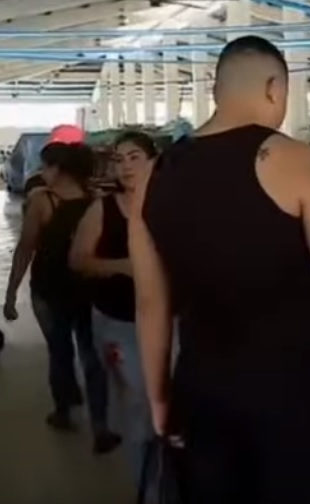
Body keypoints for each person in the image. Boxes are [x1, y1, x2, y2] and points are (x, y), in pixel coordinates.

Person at [129, 35, 310, 503]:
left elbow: (151, 303)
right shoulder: (293, 159)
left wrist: (159, 399)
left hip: (200, 392)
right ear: (275, 88)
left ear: (217, 91)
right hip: (287, 395)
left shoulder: (152, 178)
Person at [3, 142, 119, 453]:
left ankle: (63, 412)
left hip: (49, 291)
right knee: (92, 357)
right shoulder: (97, 200)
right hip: (88, 291)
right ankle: (100, 426)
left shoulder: (42, 200)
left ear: (60, 169)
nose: (42, 172)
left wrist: (11, 294)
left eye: (45, 166)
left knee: (60, 352)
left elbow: (26, 248)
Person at [69, 131, 157, 486]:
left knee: (173, 404)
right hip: (120, 323)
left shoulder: (174, 206)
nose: (126, 166)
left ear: (154, 161)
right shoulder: (102, 209)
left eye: (135, 157)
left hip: (172, 321)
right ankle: (147, 488)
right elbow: (78, 260)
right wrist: (123, 266)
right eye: (119, 160)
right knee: (137, 404)